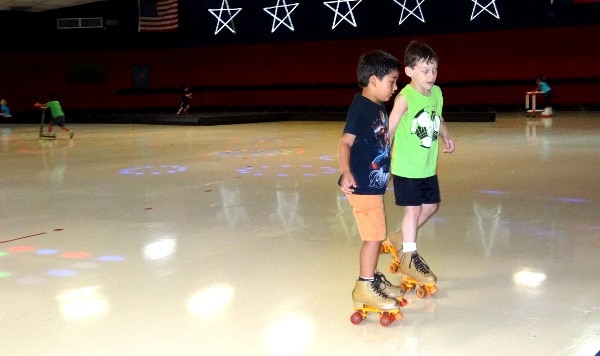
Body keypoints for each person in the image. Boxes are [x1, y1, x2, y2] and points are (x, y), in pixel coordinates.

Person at [338, 50, 405, 312]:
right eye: (392, 80)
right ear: (374, 80)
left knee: (375, 234)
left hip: (371, 184)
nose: (395, 86)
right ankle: (365, 286)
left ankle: (373, 278)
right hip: (361, 185)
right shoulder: (361, 108)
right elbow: (345, 142)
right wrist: (346, 171)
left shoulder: (376, 107)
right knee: (374, 236)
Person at [388, 41, 455, 292]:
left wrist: (445, 135)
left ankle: (398, 238)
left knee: (432, 206)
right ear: (409, 71)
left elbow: (438, 117)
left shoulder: (436, 92)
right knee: (413, 211)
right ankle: (409, 256)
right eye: (425, 70)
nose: (431, 76)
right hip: (406, 167)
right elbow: (391, 127)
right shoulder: (405, 97)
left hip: (427, 166)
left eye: (434, 70)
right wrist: (383, 156)